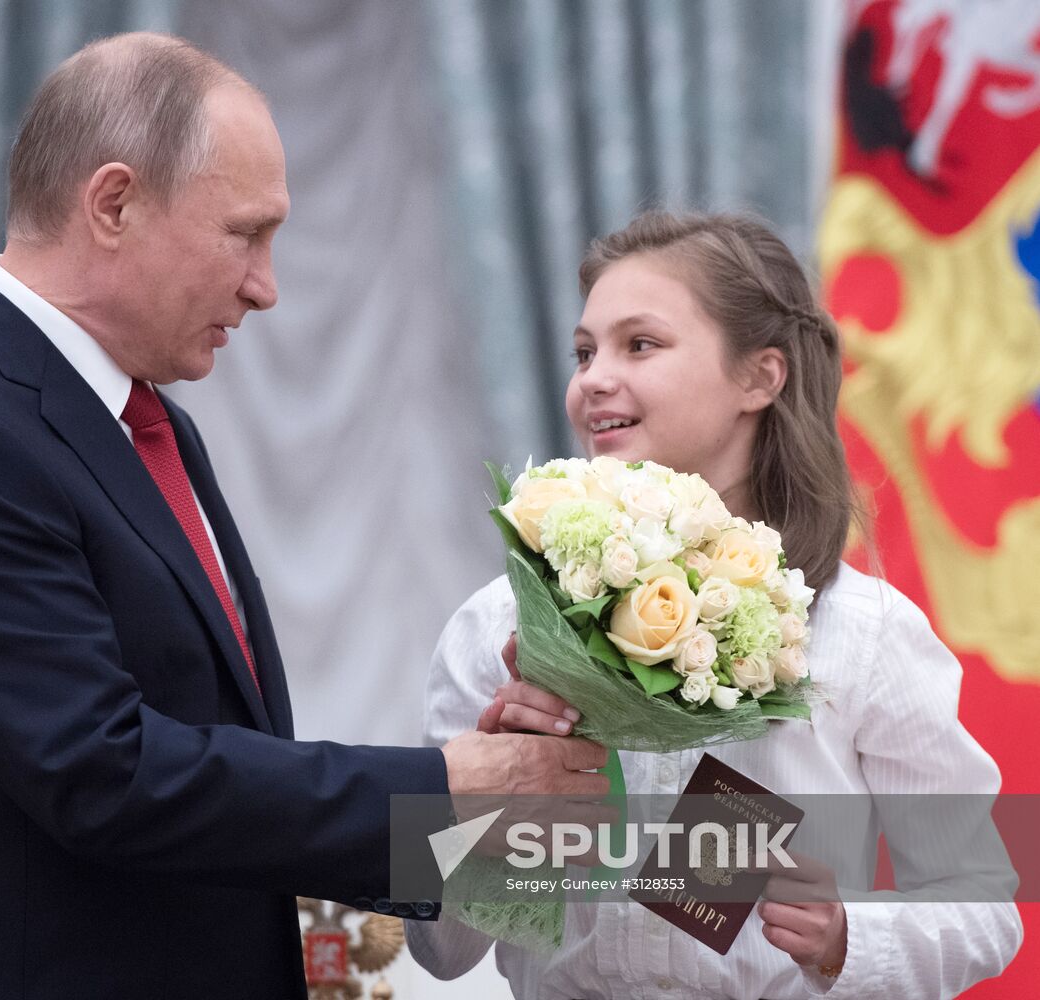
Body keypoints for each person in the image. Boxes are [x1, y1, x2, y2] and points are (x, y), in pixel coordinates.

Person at [0, 32, 606, 1000]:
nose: (265, 286)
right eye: (244, 233)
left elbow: (224, 757)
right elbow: (101, 774)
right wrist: (447, 791)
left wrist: (479, 810)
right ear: (112, 204)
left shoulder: (152, 427)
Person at [405, 211, 1022, 998]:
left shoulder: (860, 632)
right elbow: (440, 949)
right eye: (585, 351)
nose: (593, 378)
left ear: (759, 378)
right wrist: (504, 805)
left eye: (641, 344)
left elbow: (986, 905)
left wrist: (845, 936)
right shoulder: (498, 625)